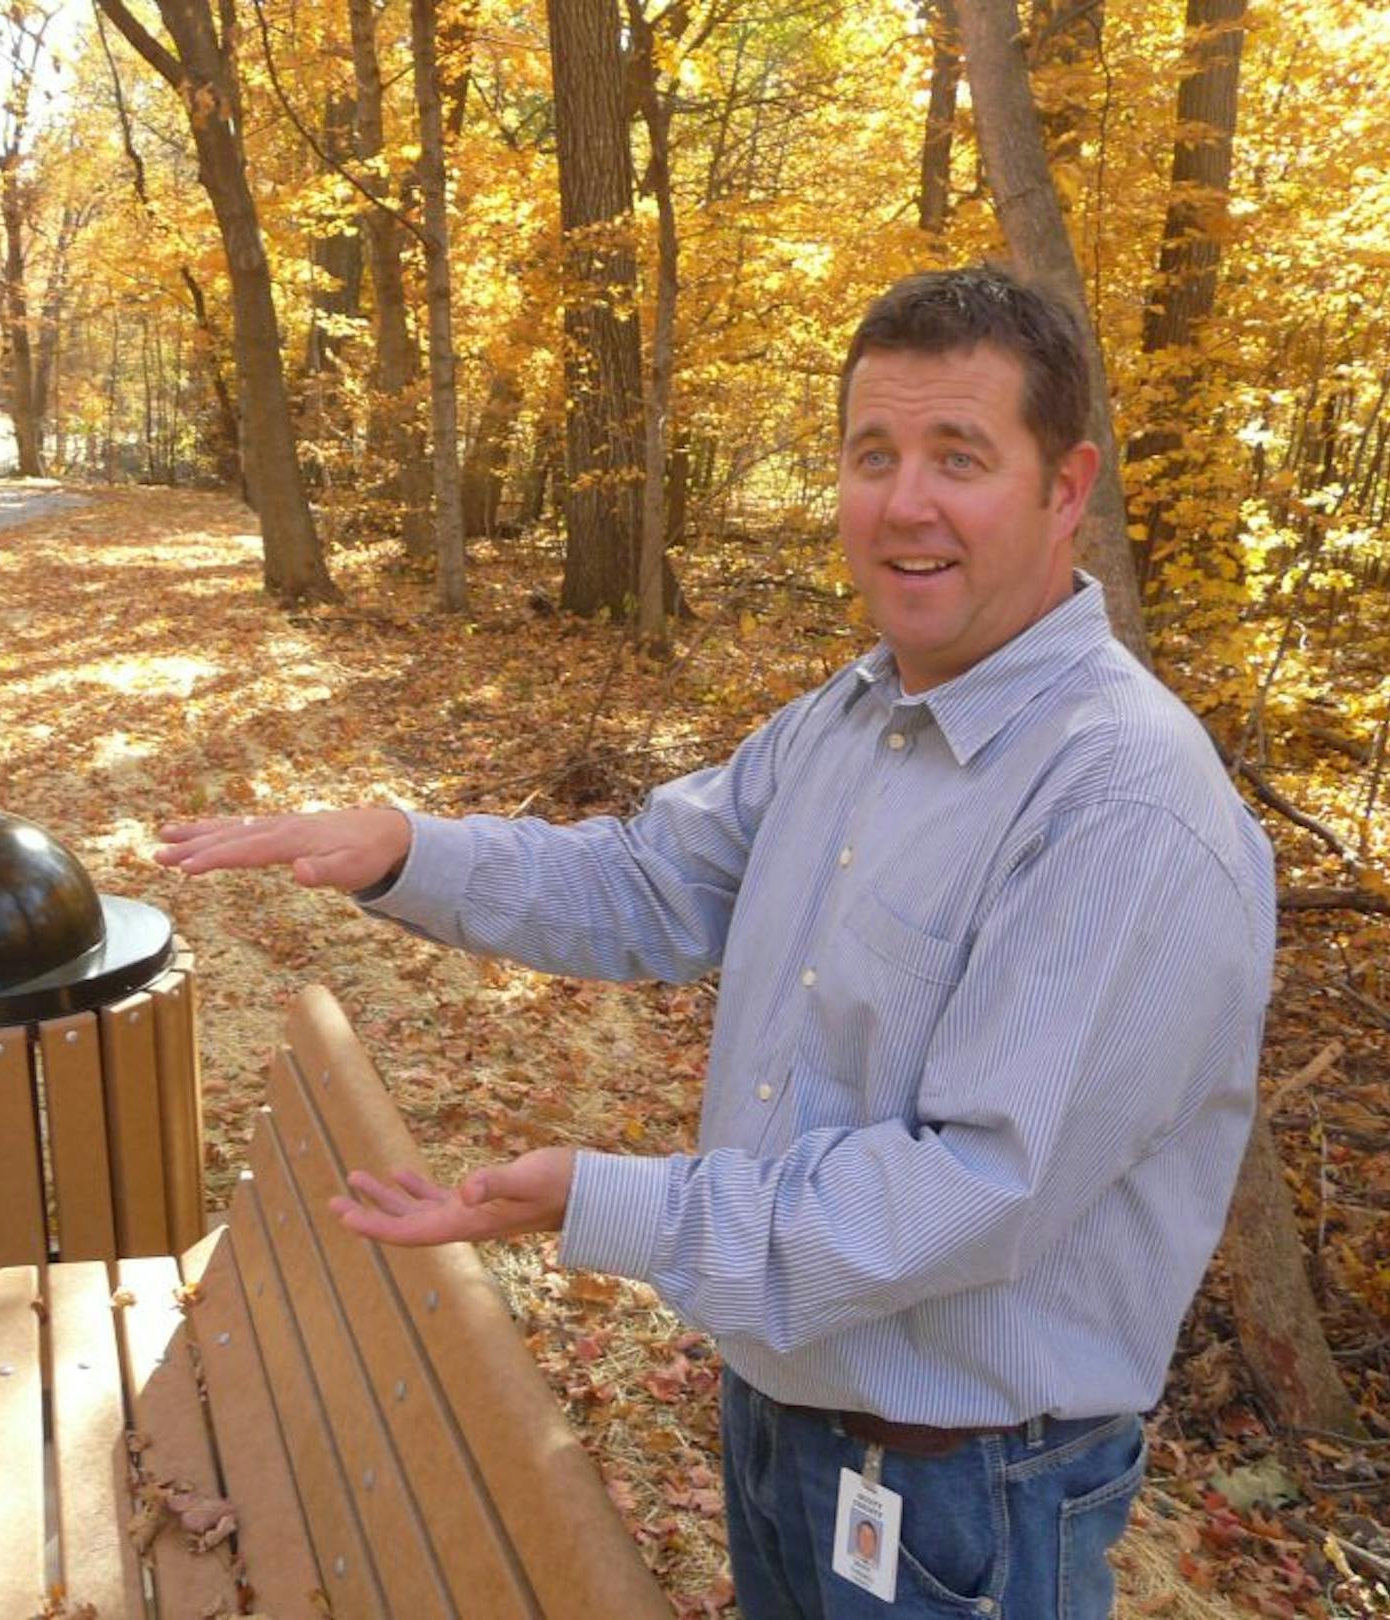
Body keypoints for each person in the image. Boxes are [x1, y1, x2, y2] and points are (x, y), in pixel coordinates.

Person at [155, 264, 1276, 1620]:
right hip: (789, 1416)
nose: (904, 502)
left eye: (959, 456)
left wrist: (608, 1200)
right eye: (874, 455)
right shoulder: (854, 717)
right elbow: (650, 881)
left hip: (965, 1492)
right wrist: (405, 847)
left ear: (1065, 487)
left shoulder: (1122, 804)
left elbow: (968, 1192)